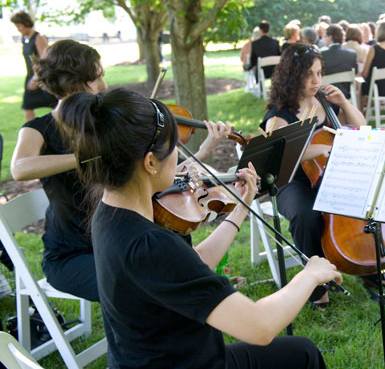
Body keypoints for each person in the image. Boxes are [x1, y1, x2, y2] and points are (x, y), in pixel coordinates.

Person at [55, 87, 351, 369]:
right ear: (149, 163)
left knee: (303, 355)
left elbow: (192, 264)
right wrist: (309, 275)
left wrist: (240, 208)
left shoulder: (112, 210)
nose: (182, 162)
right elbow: (259, 326)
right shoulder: (148, 243)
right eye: (175, 152)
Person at [10, 39, 232, 303]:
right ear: (75, 83)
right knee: (143, 286)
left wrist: (203, 151)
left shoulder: (104, 125)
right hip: (72, 255)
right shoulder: (39, 128)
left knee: (175, 252)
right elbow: (19, 168)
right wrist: (87, 156)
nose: (104, 85)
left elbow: (147, 172)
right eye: (97, 78)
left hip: (117, 240)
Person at [261, 43, 365, 309]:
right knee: (306, 214)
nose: (316, 81)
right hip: (292, 181)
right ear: (292, 75)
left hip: (329, 175)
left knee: (367, 198)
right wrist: (316, 148)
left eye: (319, 73)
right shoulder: (279, 116)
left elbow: (361, 127)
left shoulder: (326, 101)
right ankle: (318, 290)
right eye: (309, 74)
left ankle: (372, 270)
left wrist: (343, 102)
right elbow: (276, 158)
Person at [10, 11, 57, 122]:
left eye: (19, 26)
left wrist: (36, 79)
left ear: (26, 23)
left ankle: (62, 131)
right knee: (27, 106)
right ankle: (32, 133)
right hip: (30, 76)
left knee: (57, 106)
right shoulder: (24, 39)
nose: (18, 29)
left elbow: (45, 61)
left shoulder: (38, 38)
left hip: (43, 78)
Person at [321, 24, 358, 98]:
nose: (324, 39)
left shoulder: (321, 55)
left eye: (325, 37)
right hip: (346, 93)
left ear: (330, 37)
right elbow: (355, 72)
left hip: (325, 94)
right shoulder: (352, 54)